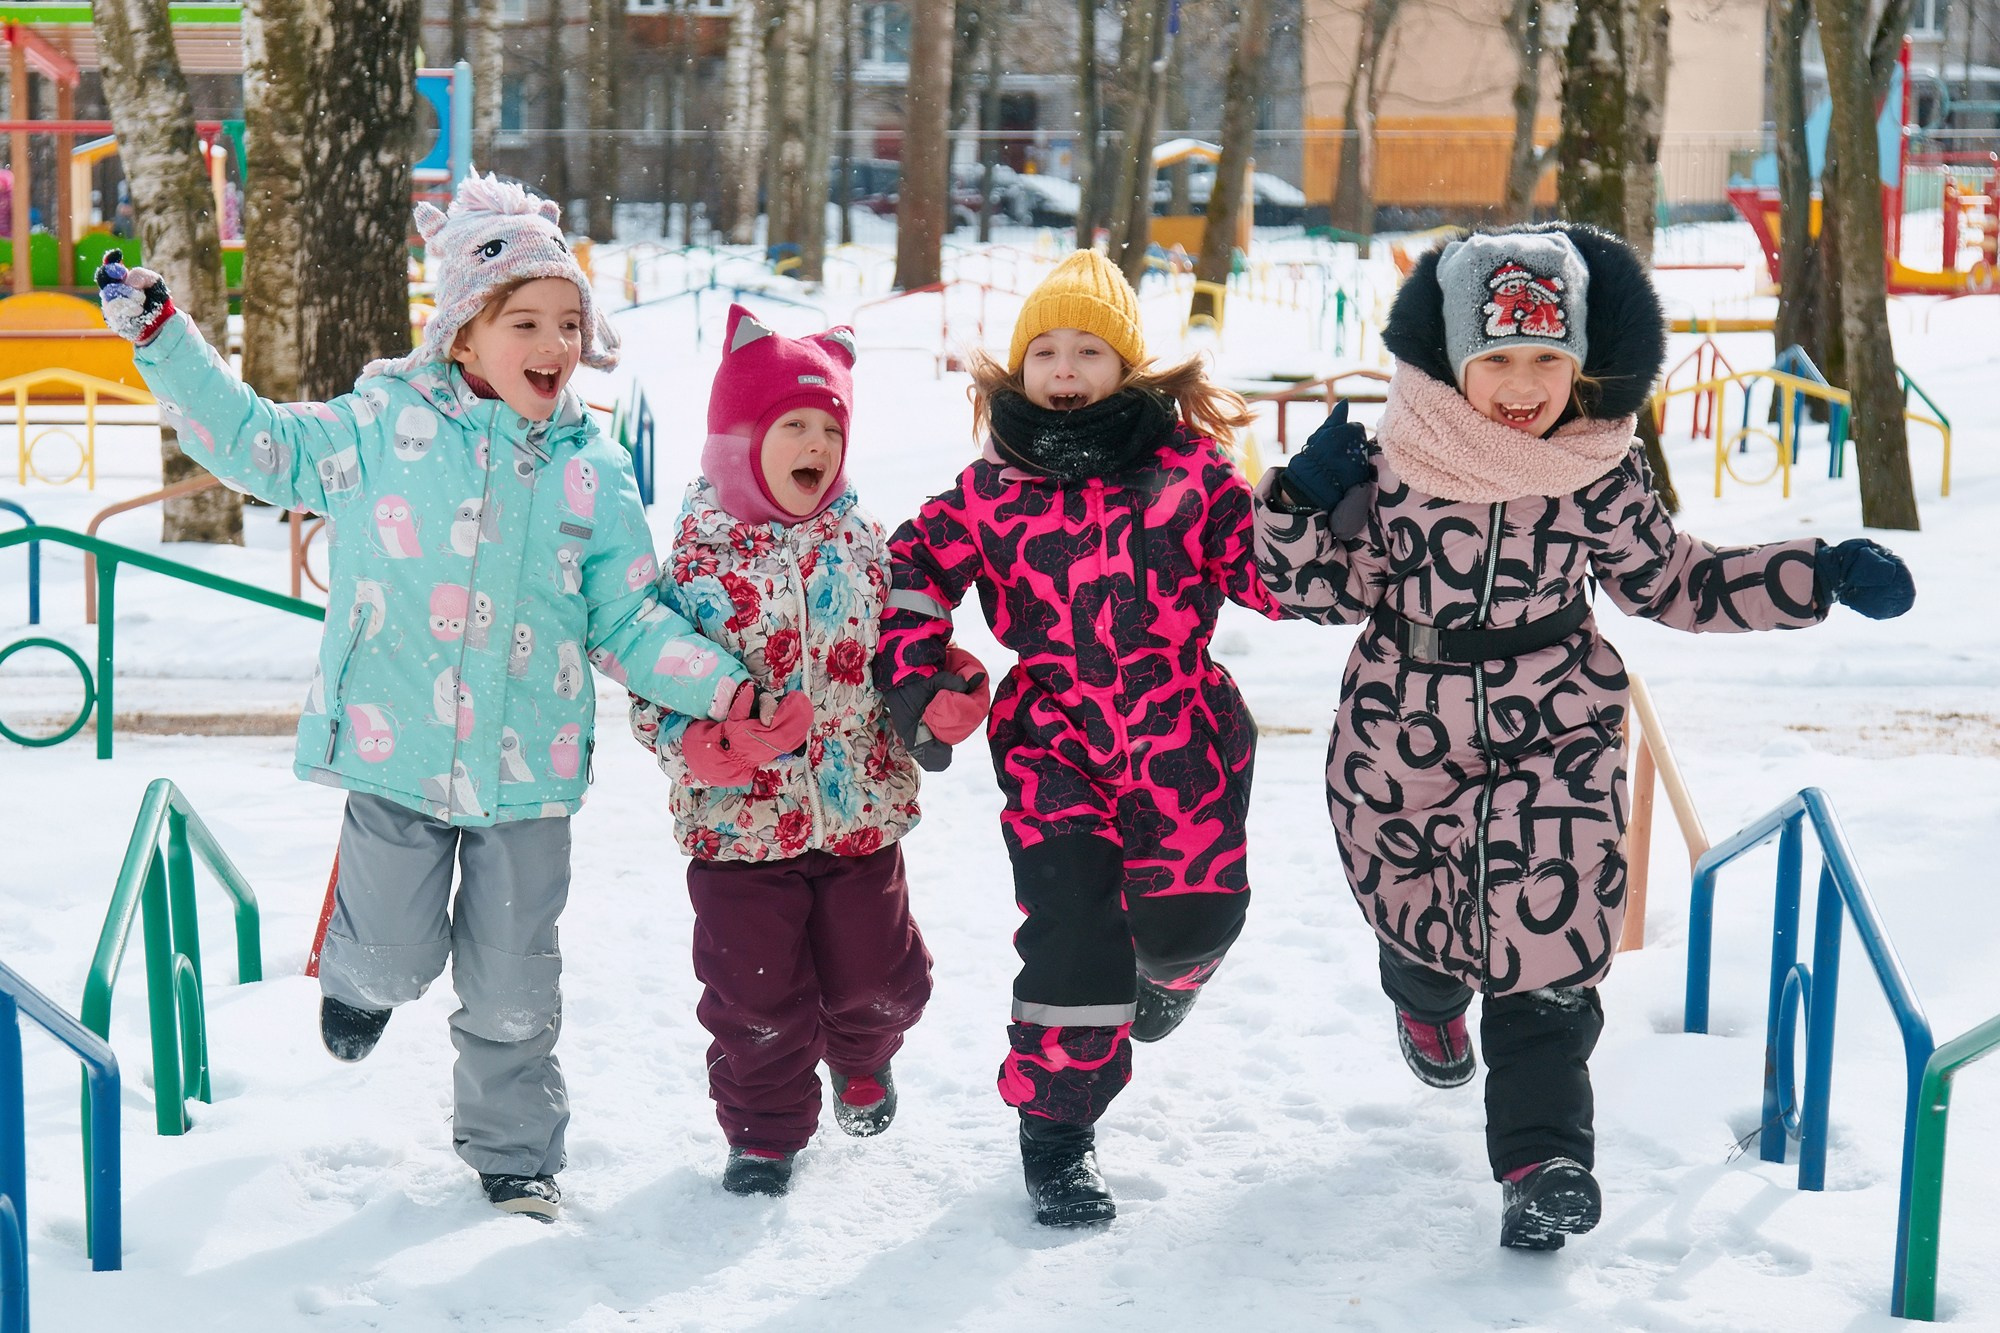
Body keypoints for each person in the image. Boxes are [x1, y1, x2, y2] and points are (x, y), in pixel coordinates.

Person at [95, 172, 793, 1222]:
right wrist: (166, 342)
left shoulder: (592, 469)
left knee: (515, 985)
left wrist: (726, 687)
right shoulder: (382, 424)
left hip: (530, 774)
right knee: (391, 956)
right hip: (396, 750)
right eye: (527, 322)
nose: (556, 344)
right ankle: (359, 977)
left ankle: (514, 1154)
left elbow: (627, 617)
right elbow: (258, 444)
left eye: (569, 323)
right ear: (464, 331)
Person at [1248, 223, 1916, 1251]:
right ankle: (1424, 998)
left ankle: (1542, 1163)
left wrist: (1816, 573)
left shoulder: (1595, 468)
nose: (1522, 386)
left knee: (1549, 946)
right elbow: (1318, 592)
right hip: (1402, 729)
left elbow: (1675, 581)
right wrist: (1299, 503)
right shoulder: (1394, 465)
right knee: (1420, 925)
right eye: (1497, 360)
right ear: (1455, 361)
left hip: (1556, 728)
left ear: (1580, 363)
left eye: (1545, 359)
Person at [875, 249, 1290, 1226]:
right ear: (1018, 370)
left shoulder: (1190, 476)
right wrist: (917, 669)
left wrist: (1305, 511)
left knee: (1196, 922)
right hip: (1051, 741)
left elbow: (1270, 578)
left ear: (1128, 368)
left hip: (1184, 736)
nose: (1064, 368)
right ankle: (1057, 1131)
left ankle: (1169, 971)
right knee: (1071, 935)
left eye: (1089, 350)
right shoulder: (991, 489)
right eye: (1045, 351)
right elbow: (912, 566)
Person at [628, 304, 945, 1198]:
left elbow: (904, 646)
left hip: (858, 813)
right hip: (738, 829)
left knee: (881, 979)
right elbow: (651, 680)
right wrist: (696, 742)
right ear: (739, 439)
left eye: (830, 429)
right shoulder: (694, 564)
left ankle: (863, 1052)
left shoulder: (864, 544)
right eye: (793, 425)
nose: (816, 445)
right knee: (754, 999)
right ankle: (764, 1134)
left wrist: (941, 682)